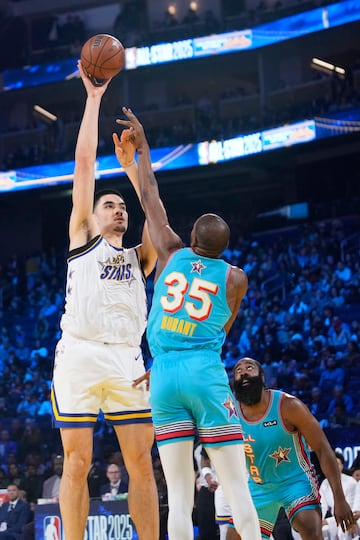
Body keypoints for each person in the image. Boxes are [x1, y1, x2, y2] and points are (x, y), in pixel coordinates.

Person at [116, 107, 261, 540]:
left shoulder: (171, 252)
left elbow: (150, 197)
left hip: (162, 373)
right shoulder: (236, 278)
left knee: (177, 496)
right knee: (237, 488)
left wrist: (142, 149)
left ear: (192, 240)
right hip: (202, 369)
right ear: (225, 247)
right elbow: (224, 328)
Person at [50, 63, 158, 540]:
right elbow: (84, 169)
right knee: (76, 461)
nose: (119, 210)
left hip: (127, 358)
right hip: (80, 351)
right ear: (92, 217)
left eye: (122, 207)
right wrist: (94, 100)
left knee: (140, 462)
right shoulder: (82, 238)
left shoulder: (141, 255)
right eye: (110, 205)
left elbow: (155, 210)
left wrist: (135, 168)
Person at [225, 357, 357, 540]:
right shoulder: (231, 413)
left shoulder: (288, 405)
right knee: (233, 537)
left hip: (295, 481)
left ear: (262, 377)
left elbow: (323, 449)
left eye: (249, 368)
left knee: (309, 527)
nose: (243, 372)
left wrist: (339, 499)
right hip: (258, 486)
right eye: (238, 371)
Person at [320, 451, 357, 540]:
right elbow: (322, 505)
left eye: (337, 464)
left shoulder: (351, 482)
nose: (334, 467)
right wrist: (319, 521)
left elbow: (352, 509)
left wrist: (327, 521)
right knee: (320, 529)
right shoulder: (325, 483)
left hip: (352, 517)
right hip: (334, 520)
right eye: (331, 464)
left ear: (342, 466)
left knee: (343, 529)